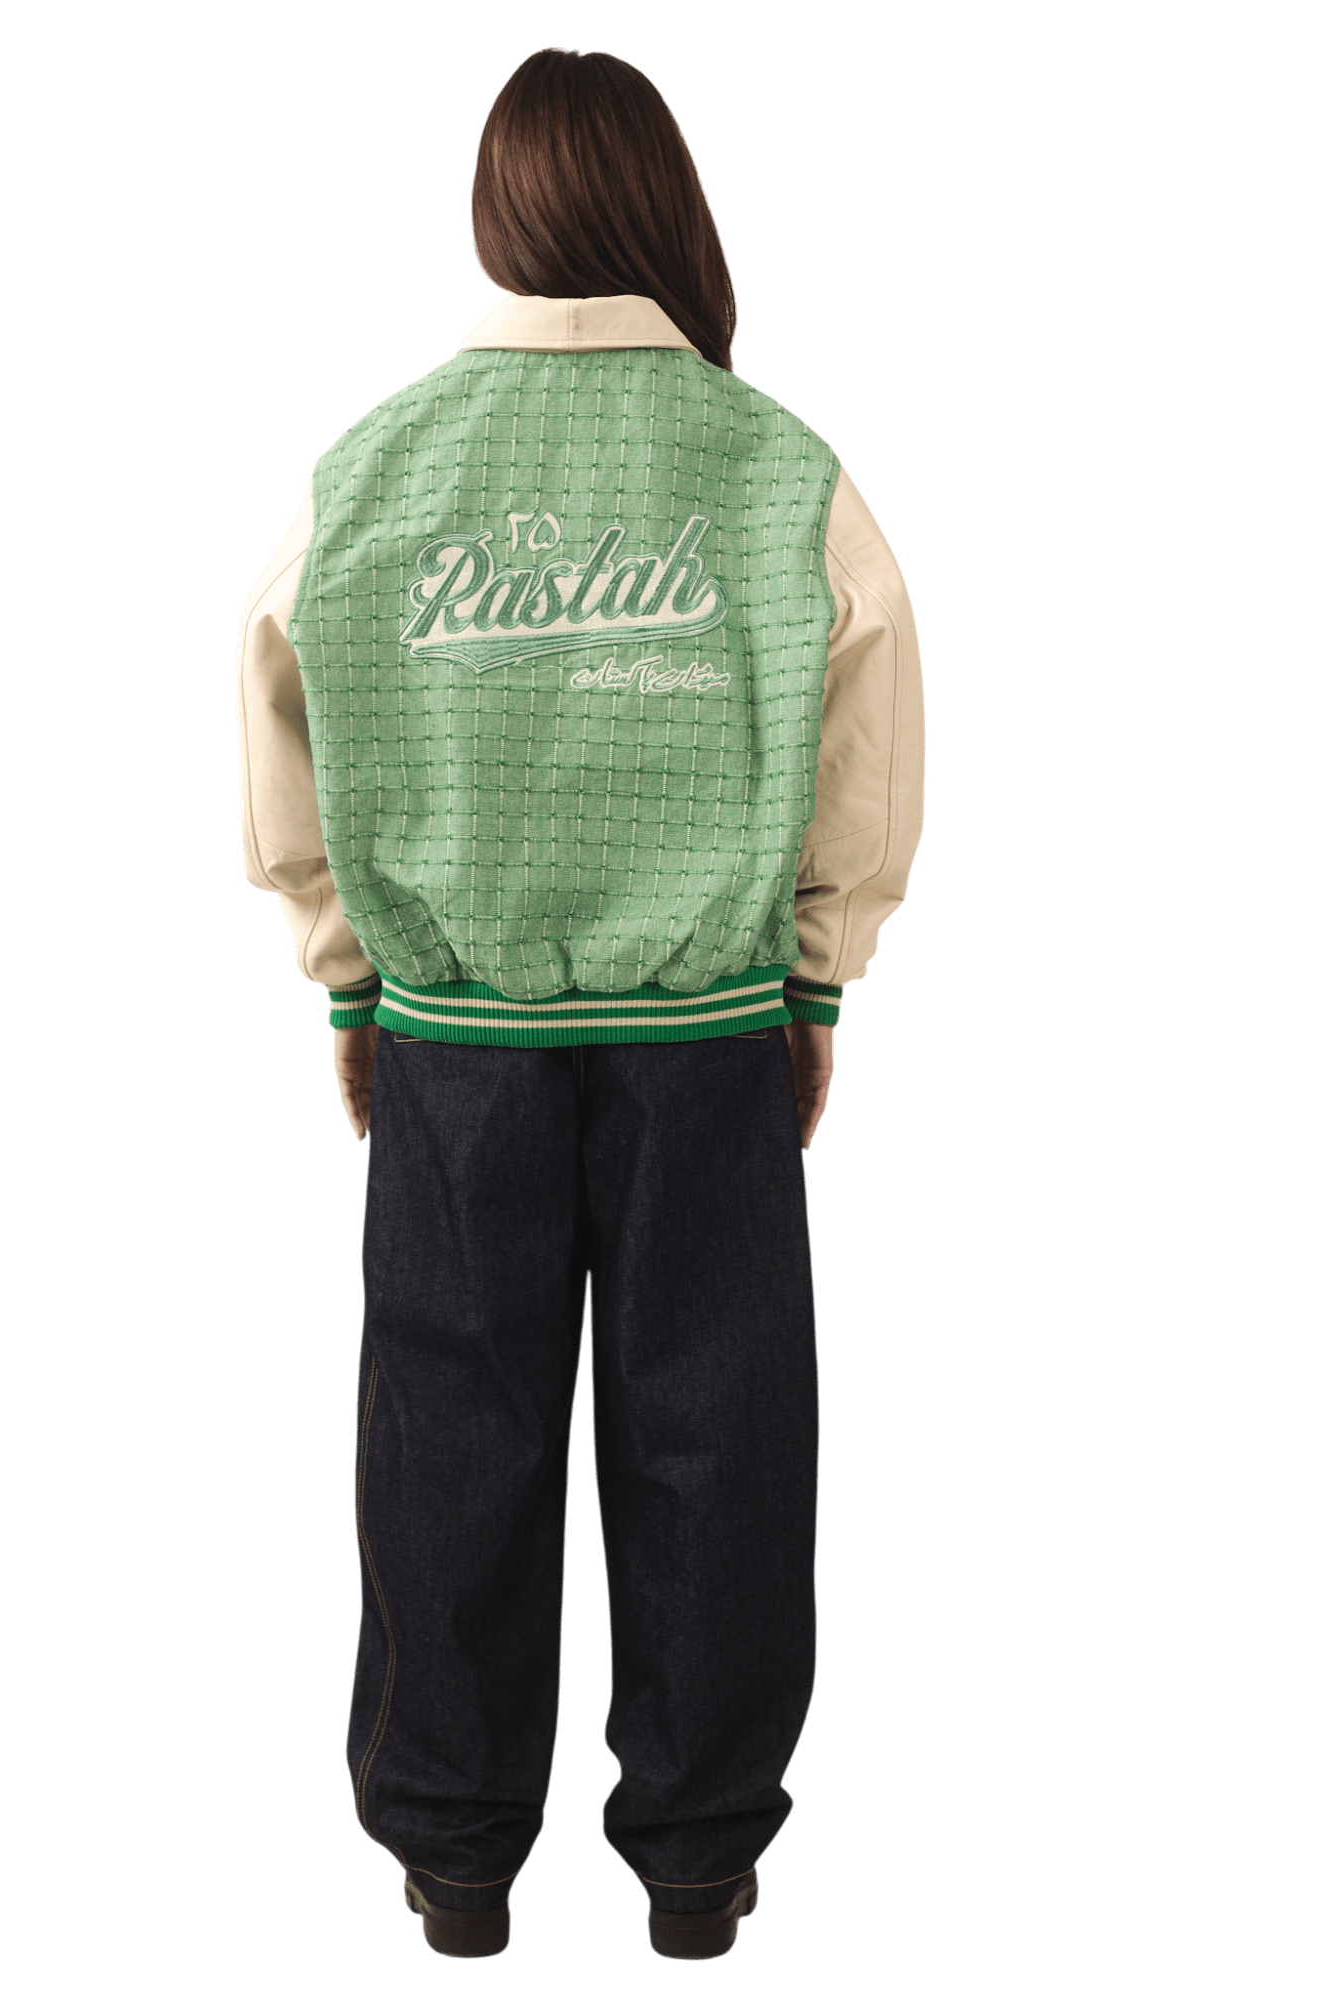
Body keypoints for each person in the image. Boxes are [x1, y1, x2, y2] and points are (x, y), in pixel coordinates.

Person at [235, 47, 925, 1963]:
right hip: (710, 1037)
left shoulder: (372, 465)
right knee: (721, 1435)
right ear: (667, 203)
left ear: (498, 214)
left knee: (448, 1435)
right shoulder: (782, 464)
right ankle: (701, 1867)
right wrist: (819, 970)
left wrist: (348, 975)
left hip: (456, 1044)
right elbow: (868, 738)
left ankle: (455, 1865)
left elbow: (276, 711)